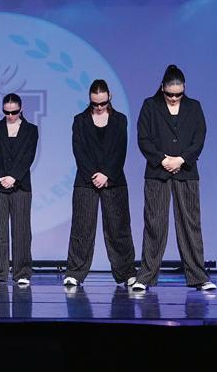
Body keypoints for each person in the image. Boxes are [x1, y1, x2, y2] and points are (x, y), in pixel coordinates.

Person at [132, 65, 216, 291]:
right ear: (162, 88)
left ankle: (198, 276)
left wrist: (181, 160)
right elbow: (143, 138)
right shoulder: (150, 106)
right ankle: (145, 277)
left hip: (186, 171)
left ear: (184, 89)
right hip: (157, 172)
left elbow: (199, 137)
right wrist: (163, 160)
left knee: (190, 224)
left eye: (178, 94)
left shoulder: (194, 107)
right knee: (155, 224)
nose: (173, 98)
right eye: (170, 94)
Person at [63, 80, 137, 287]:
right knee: (82, 228)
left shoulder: (120, 120)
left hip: (114, 181)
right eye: (95, 103)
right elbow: (79, 151)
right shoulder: (80, 120)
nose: (99, 107)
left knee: (118, 228)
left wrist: (106, 174)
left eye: (103, 103)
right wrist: (93, 175)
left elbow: (120, 151)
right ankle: (75, 273)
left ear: (109, 97)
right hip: (86, 181)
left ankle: (126, 273)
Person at [0, 93, 38, 286]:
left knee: (22, 230)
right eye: (6, 112)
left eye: (14, 112)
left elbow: (28, 156)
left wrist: (14, 177)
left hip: (21, 185)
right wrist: (1, 177)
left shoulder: (31, 130)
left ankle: (22, 272)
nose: (10, 116)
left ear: (21, 109)